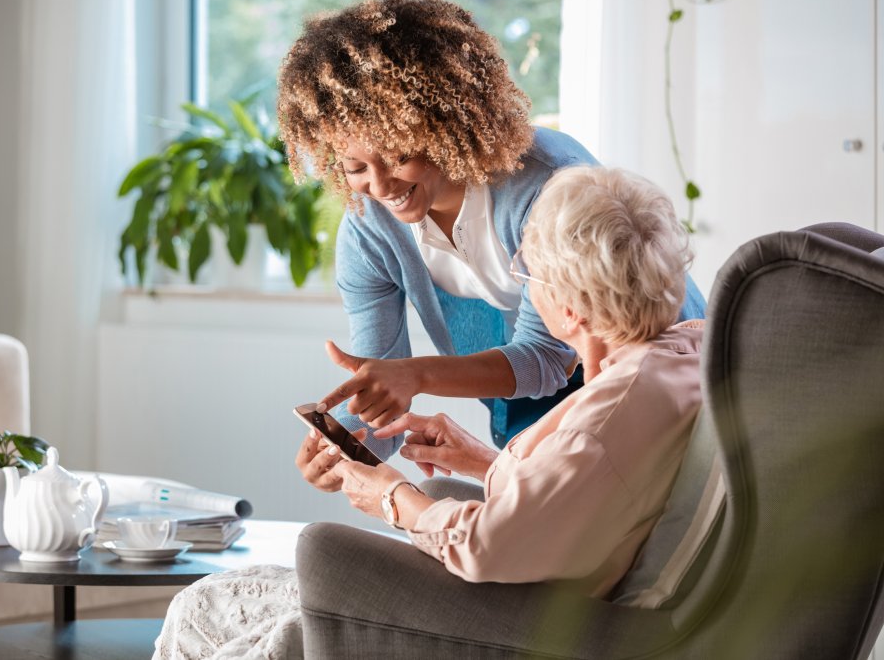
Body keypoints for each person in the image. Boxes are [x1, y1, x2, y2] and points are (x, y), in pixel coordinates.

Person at [154, 165, 705, 658]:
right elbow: (589, 497)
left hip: (537, 616)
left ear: (567, 308)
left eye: (528, 275)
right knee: (224, 602)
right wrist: (479, 462)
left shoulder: (608, 416)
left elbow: (491, 543)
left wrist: (392, 496)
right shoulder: (674, 356)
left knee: (289, 565)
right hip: (544, 579)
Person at [276, 0, 706, 453]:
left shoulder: (547, 187)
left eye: (398, 157)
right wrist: (349, 448)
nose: (379, 188)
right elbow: (384, 386)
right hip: (547, 394)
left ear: (442, 126)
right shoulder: (370, 235)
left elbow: (547, 358)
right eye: (354, 168)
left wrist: (417, 375)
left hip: (662, 379)